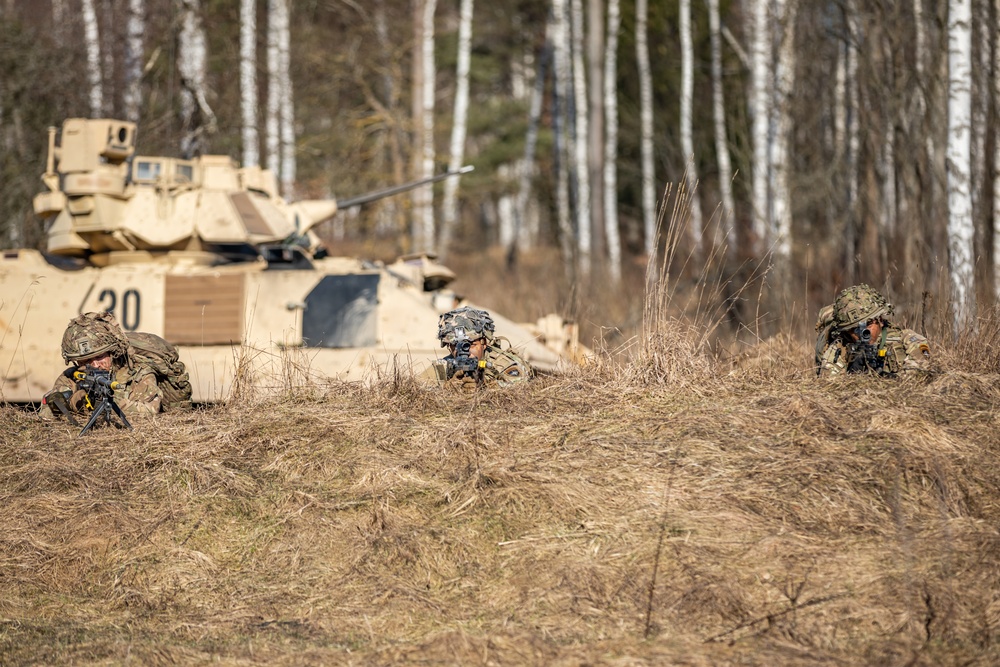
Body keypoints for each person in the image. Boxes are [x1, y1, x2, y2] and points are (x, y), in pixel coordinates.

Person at [39, 311, 192, 421]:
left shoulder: (137, 373)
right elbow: (46, 413)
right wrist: (71, 402)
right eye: (85, 362)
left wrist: (108, 402)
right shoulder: (72, 377)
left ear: (112, 352)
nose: (95, 365)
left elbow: (148, 411)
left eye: (99, 357)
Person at [816, 283, 931, 377]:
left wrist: (887, 379)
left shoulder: (906, 338)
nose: (862, 333)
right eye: (854, 329)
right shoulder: (840, 349)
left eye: (869, 324)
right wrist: (852, 376)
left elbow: (921, 367)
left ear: (880, 319)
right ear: (846, 331)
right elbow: (828, 385)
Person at [431, 306, 532, 392]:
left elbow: (518, 389)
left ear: (484, 343)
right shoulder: (443, 366)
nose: (464, 352)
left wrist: (483, 385)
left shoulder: (502, 365)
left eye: (471, 345)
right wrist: (450, 387)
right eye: (455, 346)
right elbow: (421, 388)